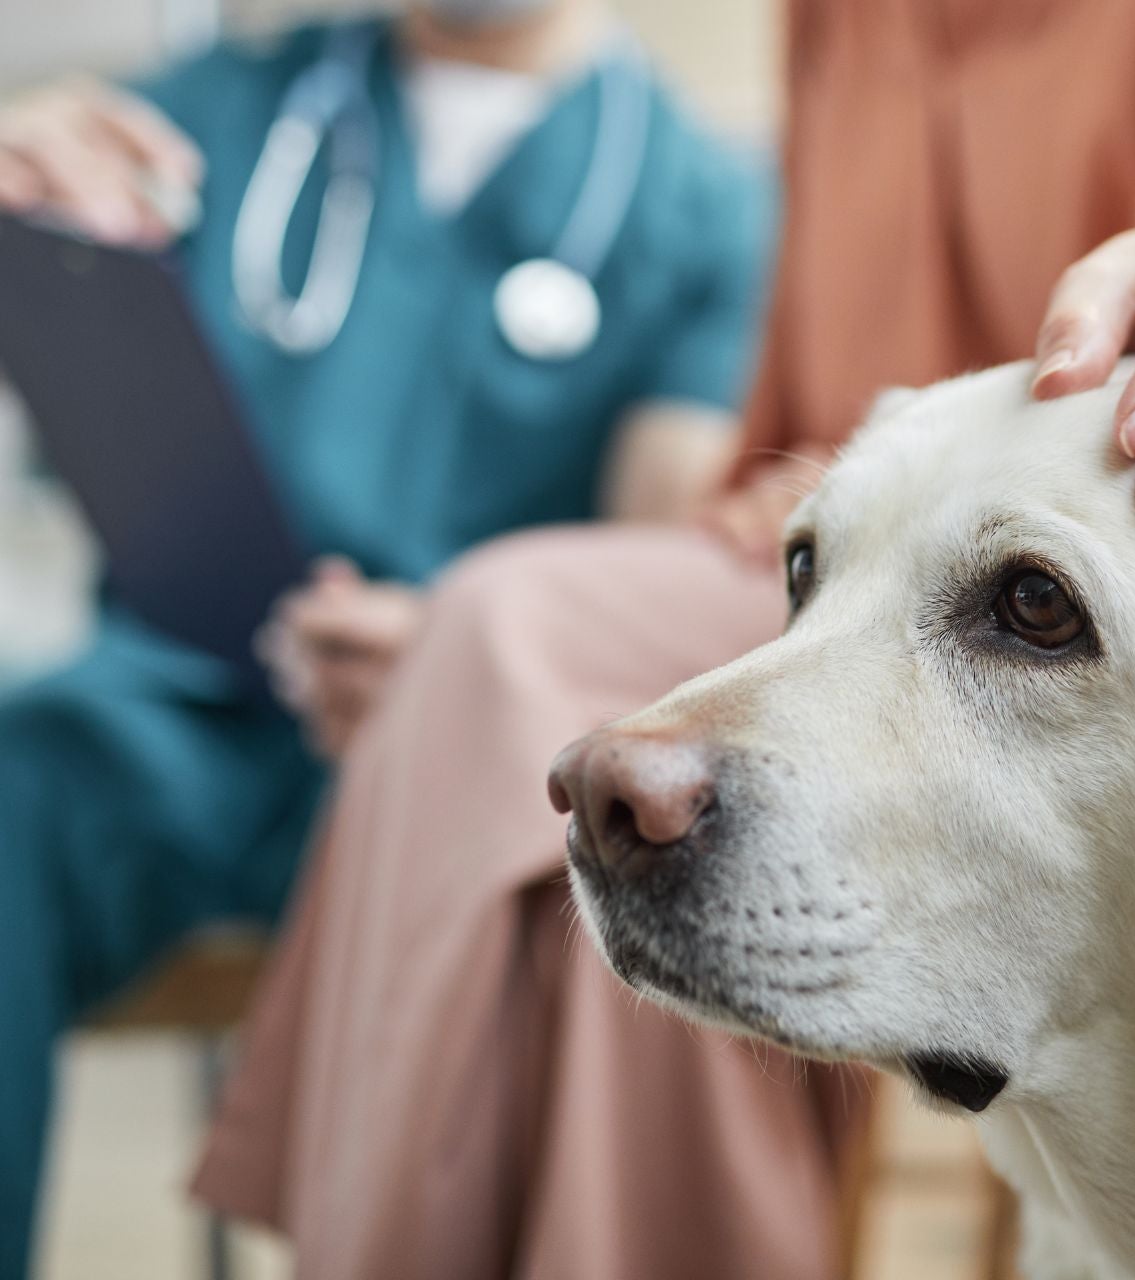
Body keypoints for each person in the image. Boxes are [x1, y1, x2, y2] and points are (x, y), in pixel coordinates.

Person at [191, 1, 1135, 1276]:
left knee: (503, 630)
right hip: (829, 569)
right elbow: (792, 434)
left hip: (1090, 600)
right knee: (569, 777)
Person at [0, 0, 771, 1273]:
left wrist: (453, 645)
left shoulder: (709, 203)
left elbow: (655, 550)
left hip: (468, 763)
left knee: (575, 914)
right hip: (175, 724)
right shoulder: (215, 113)